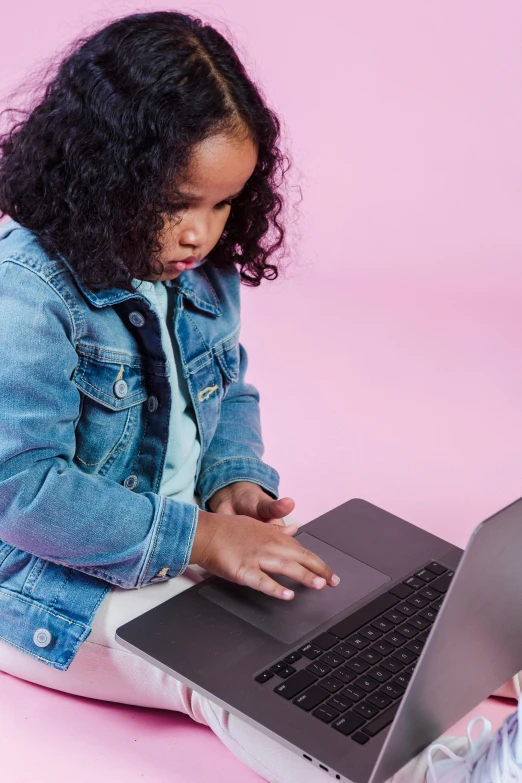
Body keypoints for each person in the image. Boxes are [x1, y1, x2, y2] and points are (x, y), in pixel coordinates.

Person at [0, 10, 520, 783]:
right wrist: (201, 540)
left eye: (222, 205)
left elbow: (225, 387)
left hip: (190, 536)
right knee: (250, 683)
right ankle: (461, 774)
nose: (200, 236)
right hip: (52, 588)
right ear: (103, 172)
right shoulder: (27, 292)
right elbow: (21, 491)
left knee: (364, 607)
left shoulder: (196, 271)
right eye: (179, 202)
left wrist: (234, 484)